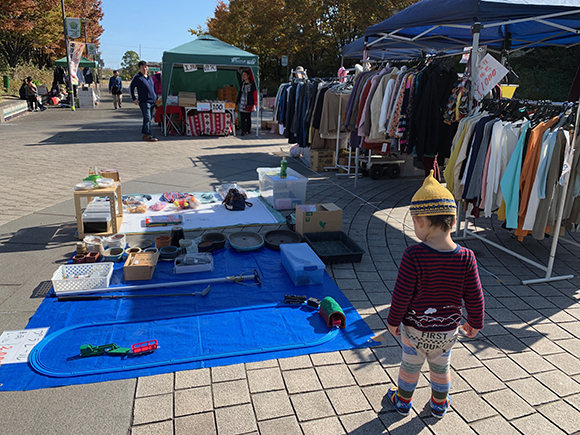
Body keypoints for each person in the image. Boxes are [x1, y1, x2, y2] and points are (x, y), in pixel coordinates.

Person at [386, 170, 485, 419]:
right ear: (452, 221)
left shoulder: (414, 256)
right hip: (447, 332)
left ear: (420, 221)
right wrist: (475, 322)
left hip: (414, 331)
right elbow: (474, 295)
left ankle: (402, 401)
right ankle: (439, 404)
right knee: (441, 368)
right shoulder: (466, 257)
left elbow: (402, 295)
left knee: (410, 367)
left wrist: (393, 320)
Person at [130, 61, 158, 141]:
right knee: (147, 117)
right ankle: (148, 135)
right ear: (139, 68)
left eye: (146, 67)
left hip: (152, 101)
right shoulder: (138, 77)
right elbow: (131, 88)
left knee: (149, 118)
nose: (144, 69)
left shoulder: (150, 77)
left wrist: (156, 98)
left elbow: (153, 89)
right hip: (144, 101)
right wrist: (134, 98)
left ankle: (145, 133)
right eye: (142, 67)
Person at [235, 69, 256, 136]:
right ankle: (243, 130)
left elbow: (254, 92)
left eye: (245, 75)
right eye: (242, 75)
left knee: (248, 116)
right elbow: (240, 93)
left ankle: (248, 129)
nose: (243, 76)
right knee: (242, 116)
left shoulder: (252, 83)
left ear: (248, 76)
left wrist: (254, 102)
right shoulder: (242, 84)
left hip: (249, 102)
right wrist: (237, 101)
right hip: (242, 102)